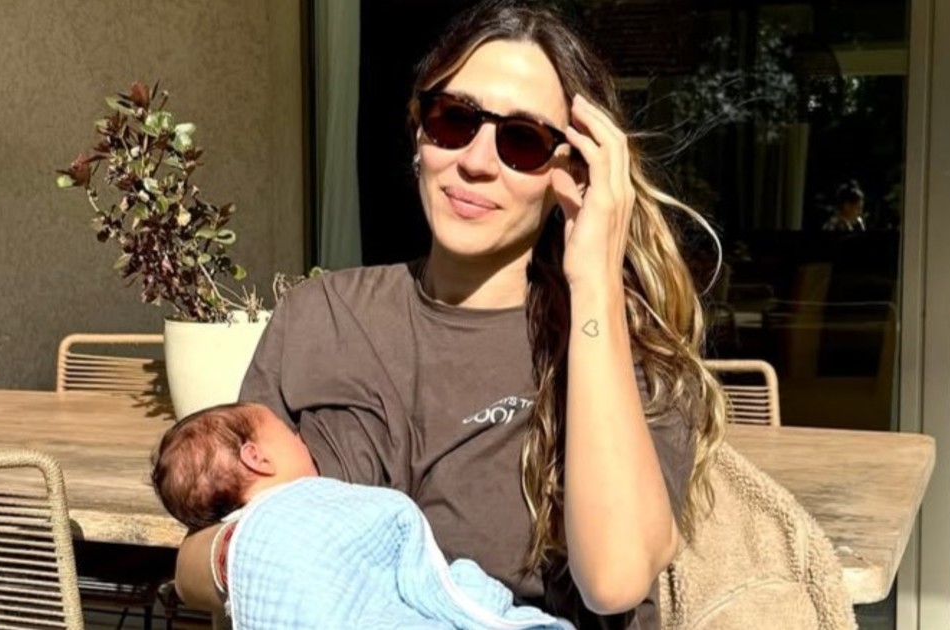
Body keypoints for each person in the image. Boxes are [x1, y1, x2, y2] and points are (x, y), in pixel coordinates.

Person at [174, 2, 727, 628]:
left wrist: (593, 283)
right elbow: (194, 563)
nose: (477, 161)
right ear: (420, 131)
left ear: (571, 173)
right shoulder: (321, 315)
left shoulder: (622, 348)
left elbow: (615, 579)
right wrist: (245, 551)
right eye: (455, 119)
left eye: (523, 140)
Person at [152, 403, 574, 629]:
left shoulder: (243, 538)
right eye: (289, 432)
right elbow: (428, 578)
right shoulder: (322, 503)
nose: (301, 438)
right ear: (257, 457)